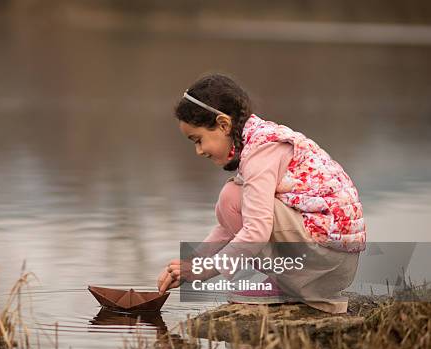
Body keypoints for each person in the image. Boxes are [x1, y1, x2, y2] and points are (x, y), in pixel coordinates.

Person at [156, 74, 366, 314]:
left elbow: (256, 230)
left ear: (224, 124)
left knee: (231, 198)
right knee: (232, 198)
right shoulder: (258, 140)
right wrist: (191, 265)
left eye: (198, 140)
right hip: (333, 259)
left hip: (328, 262)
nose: (199, 151)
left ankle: (288, 284)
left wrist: (204, 270)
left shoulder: (260, 152)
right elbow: (227, 228)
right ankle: (288, 281)